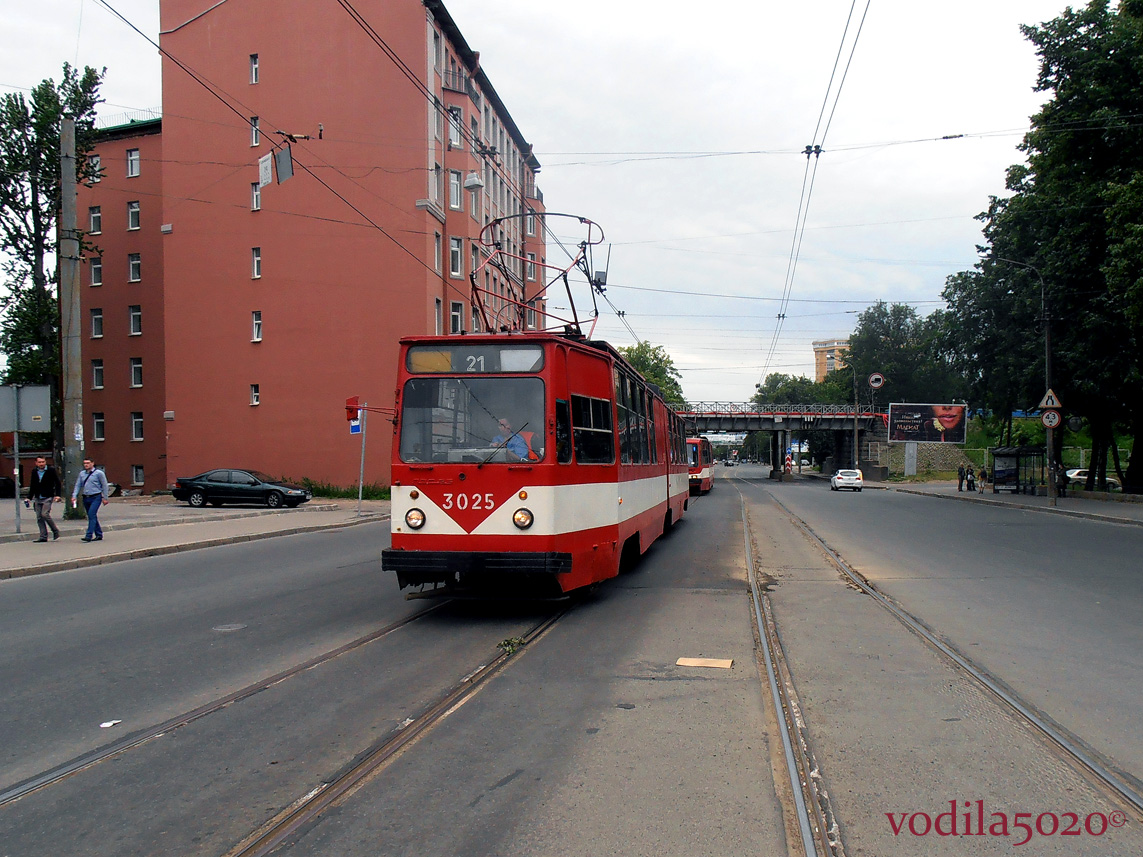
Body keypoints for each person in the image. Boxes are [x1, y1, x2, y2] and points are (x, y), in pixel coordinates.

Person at [72, 458, 111, 542]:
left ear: (92, 463)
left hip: (96, 496)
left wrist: (105, 498)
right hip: (86, 497)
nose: (86, 465)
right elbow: (78, 485)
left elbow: (104, 485)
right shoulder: (82, 474)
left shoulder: (99, 473)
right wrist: (74, 495)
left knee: (91, 514)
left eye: (88, 463)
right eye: (85, 463)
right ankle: (99, 534)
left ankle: (88, 535)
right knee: (92, 516)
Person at [28, 455, 62, 542]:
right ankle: (43, 536)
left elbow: (57, 483)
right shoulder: (34, 471)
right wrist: (29, 497)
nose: (41, 464)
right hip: (38, 497)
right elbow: (33, 485)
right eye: (39, 462)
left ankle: (55, 530)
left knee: (45, 514)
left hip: (48, 496)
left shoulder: (50, 470)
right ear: (36, 463)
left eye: (43, 462)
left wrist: (57, 495)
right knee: (39, 517)